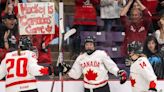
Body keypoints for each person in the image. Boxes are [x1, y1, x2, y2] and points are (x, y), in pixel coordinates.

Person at [58, 36, 127, 92]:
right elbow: (76, 75)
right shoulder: (81, 57)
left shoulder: (101, 54)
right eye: (87, 45)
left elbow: (111, 66)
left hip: (102, 88)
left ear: (94, 45)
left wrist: (118, 72)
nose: (88, 46)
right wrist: (66, 70)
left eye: (91, 44)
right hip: (88, 89)